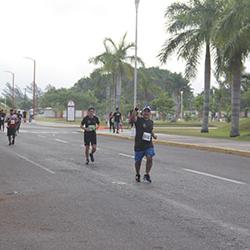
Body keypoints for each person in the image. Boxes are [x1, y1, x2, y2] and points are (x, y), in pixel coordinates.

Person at [131, 102, 157, 182]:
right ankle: (138, 174)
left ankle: (146, 174)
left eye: (148, 111)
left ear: (150, 113)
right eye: (145, 111)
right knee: (138, 161)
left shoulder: (150, 122)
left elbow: (150, 130)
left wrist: (153, 135)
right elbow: (133, 117)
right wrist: (136, 109)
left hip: (148, 144)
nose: (146, 113)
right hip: (139, 144)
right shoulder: (139, 120)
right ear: (142, 112)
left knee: (149, 157)